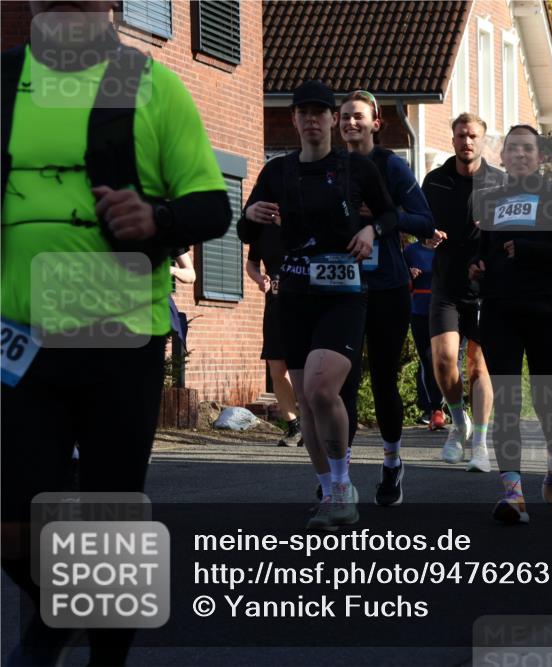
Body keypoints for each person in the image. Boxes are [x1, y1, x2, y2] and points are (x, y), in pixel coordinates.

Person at [1, 4, 231, 664]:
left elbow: (212, 205)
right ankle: (62, 608)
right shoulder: (7, 79)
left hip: (119, 336)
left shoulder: (149, 84)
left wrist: (158, 217)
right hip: (19, 336)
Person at [238, 80, 397, 529]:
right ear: (294, 120)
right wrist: (248, 218)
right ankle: (329, 491)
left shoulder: (356, 169)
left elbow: (388, 214)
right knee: (307, 402)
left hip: (344, 295)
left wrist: (370, 232)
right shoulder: (277, 172)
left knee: (323, 388)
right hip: (295, 297)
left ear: (331, 119)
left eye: (320, 112)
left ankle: (344, 485)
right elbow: (247, 232)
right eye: (303, 112)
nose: (312, 119)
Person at [469, 125, 552, 523]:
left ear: (539, 157)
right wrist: (478, 266)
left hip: (547, 309)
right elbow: (484, 249)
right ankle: (513, 494)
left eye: (528, 149)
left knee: (546, 400)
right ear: (502, 157)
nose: (520, 154)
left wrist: (530, 249)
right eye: (512, 149)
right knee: (506, 400)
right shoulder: (491, 201)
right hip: (501, 308)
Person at [338, 90, 436, 506]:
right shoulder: (330, 166)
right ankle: (338, 478)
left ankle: (392, 463)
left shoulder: (391, 165)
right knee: (339, 383)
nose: (350, 123)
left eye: (358, 116)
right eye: (344, 117)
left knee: (382, 382)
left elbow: (425, 220)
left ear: (376, 122)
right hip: (339, 286)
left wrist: (383, 217)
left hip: (386, 286)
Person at [422, 113, 504, 472]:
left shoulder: (500, 183)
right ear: (452, 139)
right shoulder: (435, 181)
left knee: (478, 366)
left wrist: (496, 237)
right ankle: (459, 423)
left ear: (482, 140)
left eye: (472, 136)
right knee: (442, 361)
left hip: (487, 288)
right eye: (460, 136)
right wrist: (425, 236)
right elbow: (418, 222)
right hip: (446, 282)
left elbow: (518, 232)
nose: (466, 142)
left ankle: (482, 444)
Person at [246, 221, 302, 447]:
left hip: (306, 302)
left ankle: (313, 423)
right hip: (275, 306)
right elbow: (251, 264)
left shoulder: (304, 220)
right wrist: (260, 279)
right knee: (277, 368)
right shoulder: (261, 229)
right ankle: (294, 427)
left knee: (305, 368)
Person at [403, 236, 445, 429]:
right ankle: (433, 408)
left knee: (444, 358)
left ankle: (444, 406)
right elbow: (399, 277)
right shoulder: (411, 251)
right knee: (427, 359)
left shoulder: (446, 248)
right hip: (419, 310)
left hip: (445, 309)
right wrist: (408, 274)